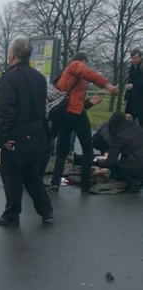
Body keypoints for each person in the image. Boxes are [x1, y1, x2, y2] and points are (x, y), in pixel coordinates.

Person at [0, 38, 53, 227]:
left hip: (15, 134)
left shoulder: (10, 78)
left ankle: (12, 214)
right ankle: (46, 210)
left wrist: (4, 135)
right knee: (31, 174)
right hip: (35, 132)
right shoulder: (39, 77)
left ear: (12, 55)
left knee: (11, 175)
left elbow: (5, 109)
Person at [47, 52, 118, 194]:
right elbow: (86, 73)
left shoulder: (66, 73)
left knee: (61, 151)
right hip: (76, 114)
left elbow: (72, 98)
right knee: (87, 150)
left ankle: (55, 183)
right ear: (83, 61)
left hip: (65, 114)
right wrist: (107, 85)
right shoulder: (76, 65)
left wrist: (89, 103)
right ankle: (85, 185)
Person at [98, 112, 143, 188]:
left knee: (115, 167)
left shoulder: (118, 137)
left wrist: (100, 162)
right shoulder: (138, 128)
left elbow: (110, 162)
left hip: (134, 164)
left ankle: (130, 180)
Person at [125, 49, 143, 126]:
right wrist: (126, 97)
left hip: (141, 99)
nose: (134, 60)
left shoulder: (141, 68)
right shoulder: (132, 68)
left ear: (141, 57)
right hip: (132, 99)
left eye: (136, 58)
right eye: (133, 58)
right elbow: (129, 81)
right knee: (128, 121)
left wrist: (134, 85)